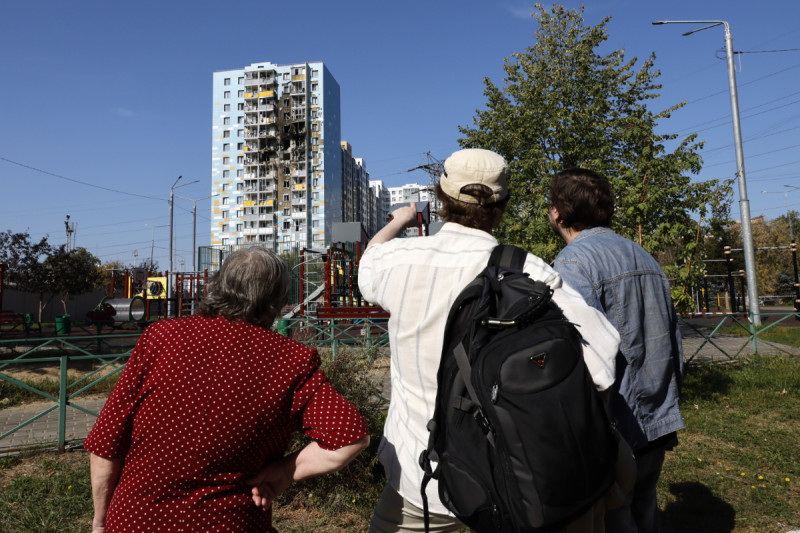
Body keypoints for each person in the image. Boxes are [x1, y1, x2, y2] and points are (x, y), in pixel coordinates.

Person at [358, 148, 621, 533]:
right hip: (513, 487)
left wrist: (399, 221)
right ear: (503, 204)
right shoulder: (528, 270)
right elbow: (602, 364)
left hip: (418, 486)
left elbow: (369, 261)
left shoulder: (398, 259)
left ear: (441, 195)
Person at [84, 247, 369, 533]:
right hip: (229, 523)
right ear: (277, 298)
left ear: (217, 285)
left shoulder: (159, 338)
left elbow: (107, 443)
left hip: (135, 521)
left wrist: (99, 522)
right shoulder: (291, 360)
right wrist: (283, 472)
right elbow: (349, 438)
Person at [548, 168, 685, 533]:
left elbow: (575, 354)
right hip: (657, 415)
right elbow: (674, 340)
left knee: (615, 517)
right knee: (645, 507)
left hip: (615, 425)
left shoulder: (574, 263)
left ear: (557, 213)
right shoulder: (645, 257)